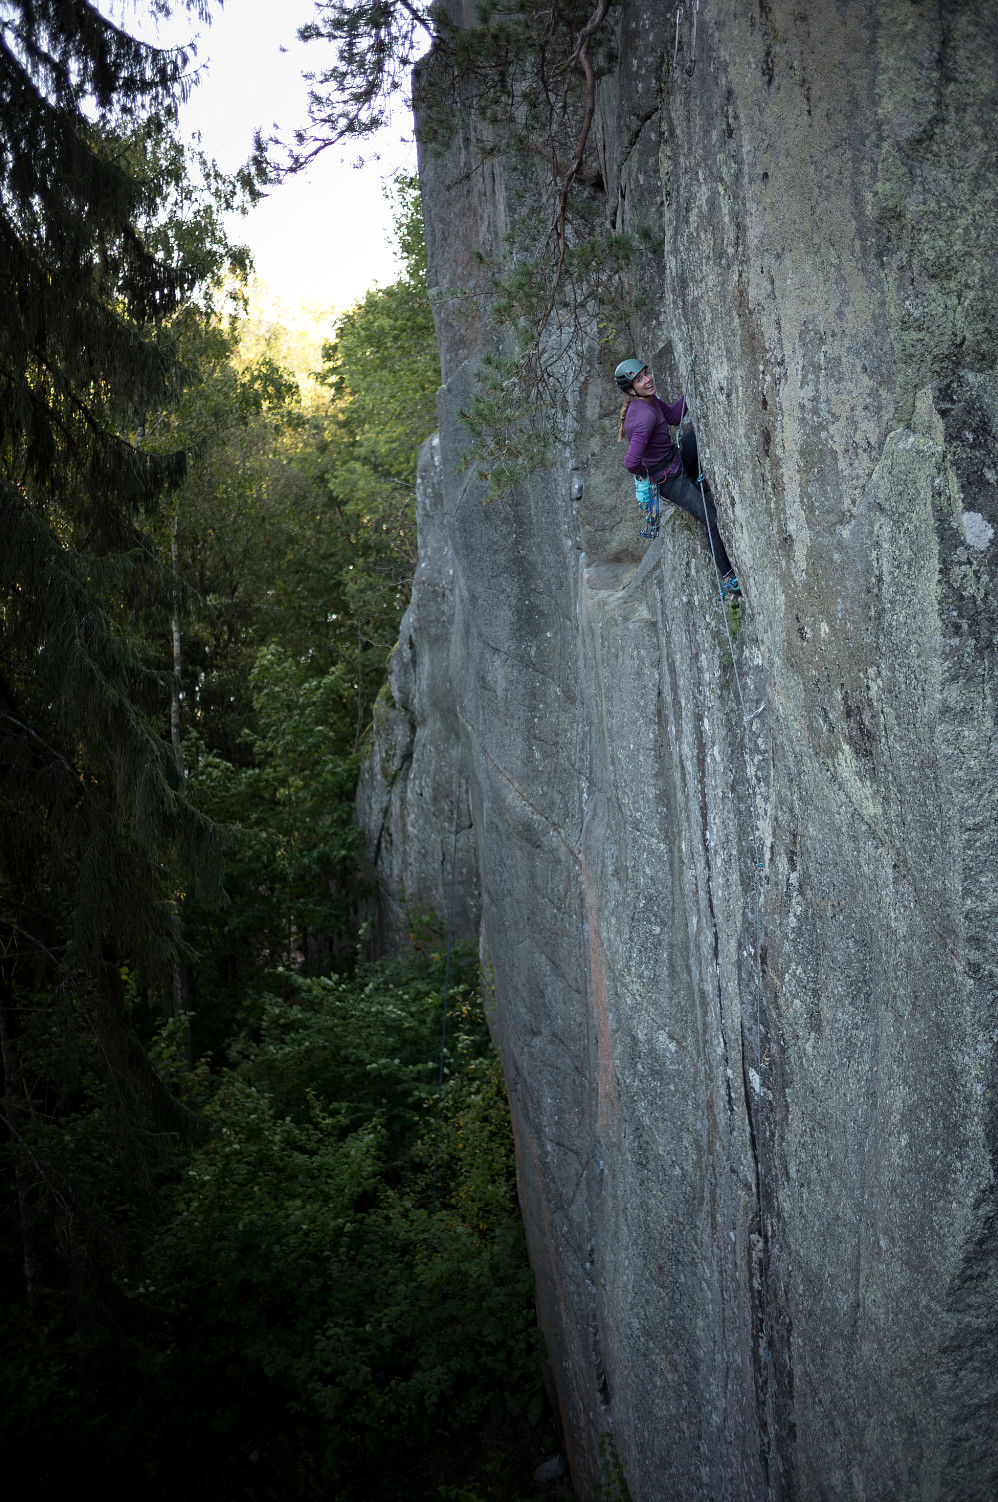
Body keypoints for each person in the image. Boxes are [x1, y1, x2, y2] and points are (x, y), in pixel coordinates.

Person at [615, 356, 739, 595]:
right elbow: (631, 463)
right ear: (631, 390)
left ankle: (696, 481)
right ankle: (726, 576)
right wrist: (648, 475)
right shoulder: (643, 417)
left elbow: (673, 417)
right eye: (639, 380)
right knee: (711, 518)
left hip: (674, 460)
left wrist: (691, 385)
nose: (647, 380)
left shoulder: (649, 401)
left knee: (700, 436)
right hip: (669, 480)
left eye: (646, 373)